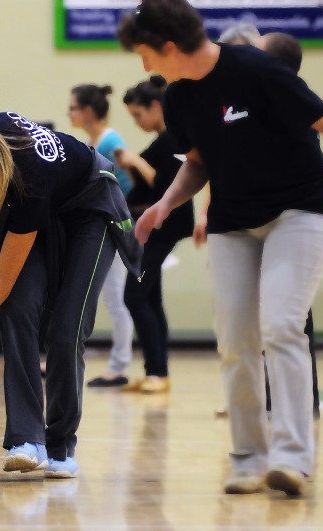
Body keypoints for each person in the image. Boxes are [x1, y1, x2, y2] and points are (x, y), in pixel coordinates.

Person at [118, 0, 323, 496]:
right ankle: (249, 457)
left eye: (144, 54)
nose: (143, 66)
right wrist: (164, 205)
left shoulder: (257, 69)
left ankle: (292, 458)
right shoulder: (179, 97)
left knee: (282, 325)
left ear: (167, 47)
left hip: (299, 211)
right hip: (233, 221)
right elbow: (199, 161)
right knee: (234, 338)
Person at [0, 99, 140, 478]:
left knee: (66, 328)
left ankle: (60, 444)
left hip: (91, 208)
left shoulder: (28, 179)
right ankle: (26, 439)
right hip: (48, 210)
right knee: (18, 310)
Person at [116, 77, 194, 393]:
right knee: (149, 296)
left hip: (166, 227)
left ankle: (157, 372)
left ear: (155, 107)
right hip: (156, 228)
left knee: (134, 295)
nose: (137, 122)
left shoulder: (176, 137)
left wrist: (136, 161)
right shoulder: (165, 139)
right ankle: (157, 372)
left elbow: (168, 186)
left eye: (138, 115)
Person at [68, 84, 135, 388]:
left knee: (115, 298)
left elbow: (130, 183)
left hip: (116, 224)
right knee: (107, 297)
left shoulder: (111, 141)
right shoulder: (93, 141)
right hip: (101, 225)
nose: (69, 112)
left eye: (73, 107)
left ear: (88, 112)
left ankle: (119, 365)